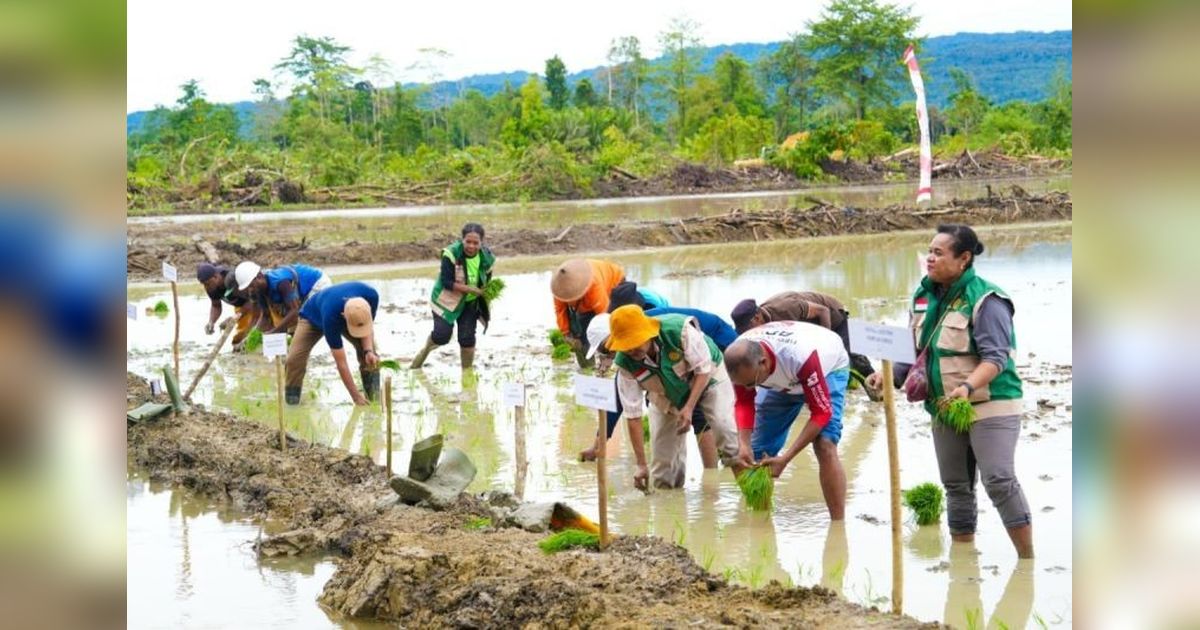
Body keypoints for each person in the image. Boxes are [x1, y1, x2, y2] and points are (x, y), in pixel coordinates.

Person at [867, 224, 1032, 558]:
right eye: (929, 251)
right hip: (944, 404)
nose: (929, 258)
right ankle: (963, 564)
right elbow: (915, 351)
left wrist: (968, 386)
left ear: (964, 259)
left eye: (939, 252)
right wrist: (889, 376)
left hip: (991, 401)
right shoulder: (922, 296)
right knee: (956, 486)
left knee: (998, 480)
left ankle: (1026, 563)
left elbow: (997, 357)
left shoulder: (987, 299)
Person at [724, 320, 851, 520]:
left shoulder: (799, 356)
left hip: (827, 370)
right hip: (783, 381)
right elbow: (743, 402)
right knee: (755, 454)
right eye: (743, 384)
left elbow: (821, 413)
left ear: (763, 362)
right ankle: (761, 522)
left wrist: (787, 458)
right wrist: (744, 444)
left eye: (752, 384)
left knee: (825, 444)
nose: (749, 389)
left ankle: (837, 525)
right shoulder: (741, 360)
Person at [607, 305, 745, 489]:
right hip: (664, 391)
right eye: (626, 347)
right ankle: (669, 508)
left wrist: (689, 407)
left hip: (708, 376)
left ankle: (750, 495)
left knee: (726, 432)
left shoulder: (679, 331)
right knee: (663, 464)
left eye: (635, 342)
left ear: (648, 334)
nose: (632, 350)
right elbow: (633, 415)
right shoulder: (625, 364)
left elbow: (703, 370)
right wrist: (641, 464)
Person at [731, 290, 880, 400]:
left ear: (757, 317)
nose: (748, 334)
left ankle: (877, 391)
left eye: (747, 329)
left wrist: (824, 342)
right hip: (807, 332)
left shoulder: (786, 309)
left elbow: (823, 311)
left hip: (833, 318)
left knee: (851, 356)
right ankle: (845, 387)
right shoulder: (761, 327)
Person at [411, 223, 496, 370]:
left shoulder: (487, 258)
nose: (471, 246)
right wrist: (470, 289)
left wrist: (485, 296)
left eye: (476, 243)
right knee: (441, 336)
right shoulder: (451, 254)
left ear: (482, 242)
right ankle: (423, 354)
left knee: (467, 339)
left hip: (470, 303)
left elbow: (486, 281)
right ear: (462, 240)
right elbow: (446, 282)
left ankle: (467, 374)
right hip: (446, 300)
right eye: (468, 242)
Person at [283, 281, 380, 406]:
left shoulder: (371, 296)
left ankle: (373, 398)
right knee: (294, 359)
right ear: (343, 316)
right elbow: (341, 363)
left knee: (370, 354)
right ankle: (292, 402)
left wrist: (368, 351)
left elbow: (366, 325)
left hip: (344, 312)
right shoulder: (331, 317)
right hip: (312, 317)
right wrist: (355, 396)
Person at [550, 258, 625, 366]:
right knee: (581, 334)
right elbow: (560, 310)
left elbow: (604, 319)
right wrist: (567, 335)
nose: (568, 302)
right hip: (585, 300)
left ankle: (614, 363)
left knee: (609, 331)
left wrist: (606, 355)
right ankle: (587, 366)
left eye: (571, 299)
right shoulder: (560, 288)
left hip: (614, 285)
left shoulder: (594, 286)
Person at [234, 261, 332, 336]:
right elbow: (266, 315)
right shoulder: (259, 290)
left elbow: (295, 311)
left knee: (306, 320)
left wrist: (274, 331)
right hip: (300, 291)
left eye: (251, 286)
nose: (250, 290)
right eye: (248, 288)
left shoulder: (281, 282)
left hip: (317, 284)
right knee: (289, 326)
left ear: (259, 276)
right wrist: (253, 335)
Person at [196, 262, 258, 350]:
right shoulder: (210, 287)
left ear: (216, 277)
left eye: (208, 283)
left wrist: (234, 318)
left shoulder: (232, 278)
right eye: (204, 284)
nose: (207, 287)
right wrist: (211, 322)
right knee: (239, 340)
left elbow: (252, 301)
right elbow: (216, 305)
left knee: (256, 331)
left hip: (256, 302)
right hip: (240, 307)